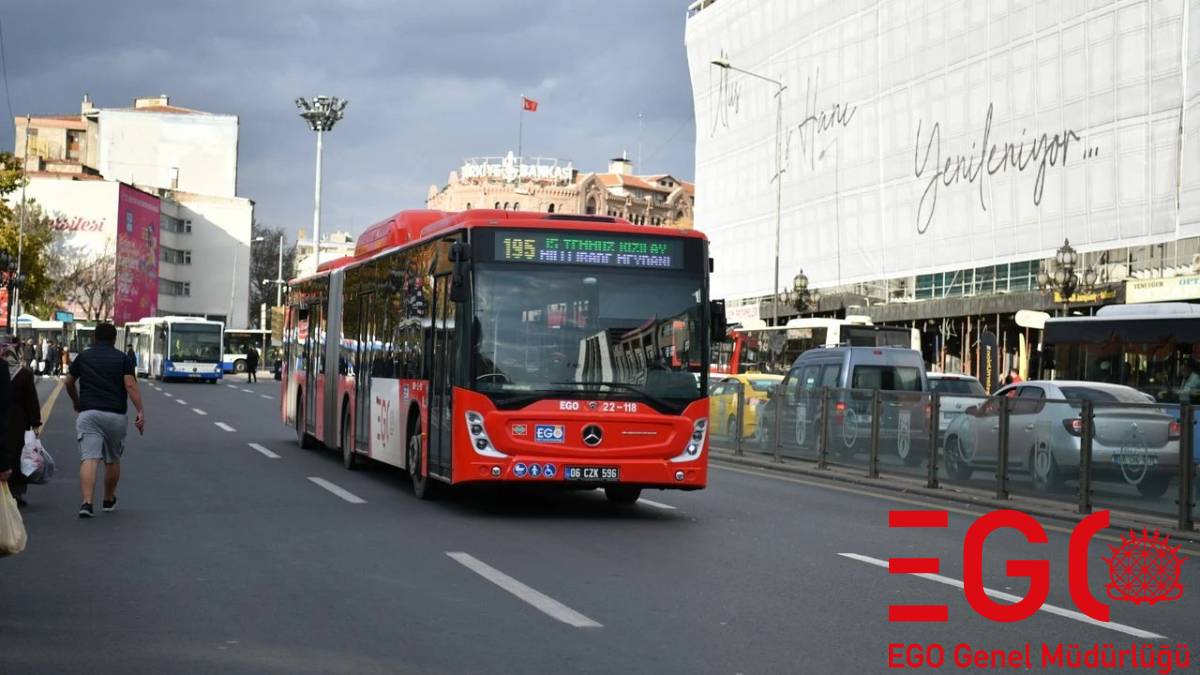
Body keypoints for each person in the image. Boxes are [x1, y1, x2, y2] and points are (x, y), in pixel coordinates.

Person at [64, 323, 145, 518]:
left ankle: (86, 503)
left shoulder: (83, 356)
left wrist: (76, 401)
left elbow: (68, 381)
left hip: (89, 413)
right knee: (112, 459)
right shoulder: (123, 358)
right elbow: (130, 385)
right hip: (115, 415)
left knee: (89, 459)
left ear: (94, 338)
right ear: (114, 339)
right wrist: (140, 410)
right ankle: (108, 499)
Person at [2, 339, 40, 508]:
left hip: (4, 417)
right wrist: (35, 423)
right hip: (19, 421)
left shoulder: (3, 371)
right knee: (18, 456)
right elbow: (31, 400)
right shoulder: (24, 374)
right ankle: (16, 492)